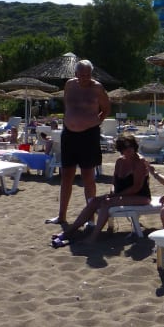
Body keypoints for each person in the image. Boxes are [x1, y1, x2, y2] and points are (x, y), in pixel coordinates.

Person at [51, 134, 151, 247]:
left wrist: (115, 196)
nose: (129, 150)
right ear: (121, 149)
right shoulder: (120, 161)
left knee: (107, 203)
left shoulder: (139, 162)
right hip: (121, 195)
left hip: (140, 196)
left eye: (131, 146)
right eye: (125, 147)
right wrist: (112, 191)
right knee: (94, 201)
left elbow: (137, 187)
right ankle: (69, 232)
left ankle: (93, 237)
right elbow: (114, 183)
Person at [46, 59, 111, 227]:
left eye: (88, 74)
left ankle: (90, 218)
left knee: (88, 176)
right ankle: (61, 216)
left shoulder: (97, 88)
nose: (85, 78)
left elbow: (106, 109)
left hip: (89, 135)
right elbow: (68, 106)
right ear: (75, 74)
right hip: (69, 134)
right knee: (66, 175)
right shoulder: (69, 85)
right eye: (82, 75)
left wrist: (94, 122)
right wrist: (72, 120)